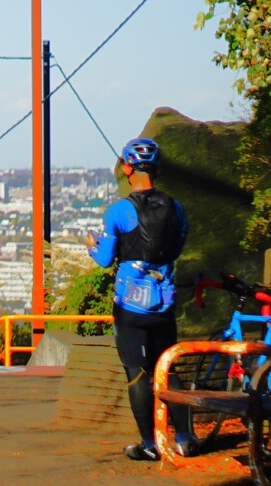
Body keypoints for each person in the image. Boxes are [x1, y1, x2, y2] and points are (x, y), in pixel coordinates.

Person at [84, 136, 194, 461]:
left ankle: (149, 444)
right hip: (164, 302)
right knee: (168, 368)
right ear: (157, 169)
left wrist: (91, 243)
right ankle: (185, 438)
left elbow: (105, 259)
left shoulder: (118, 211)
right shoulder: (176, 209)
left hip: (130, 305)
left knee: (138, 372)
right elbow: (177, 247)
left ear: (127, 168)